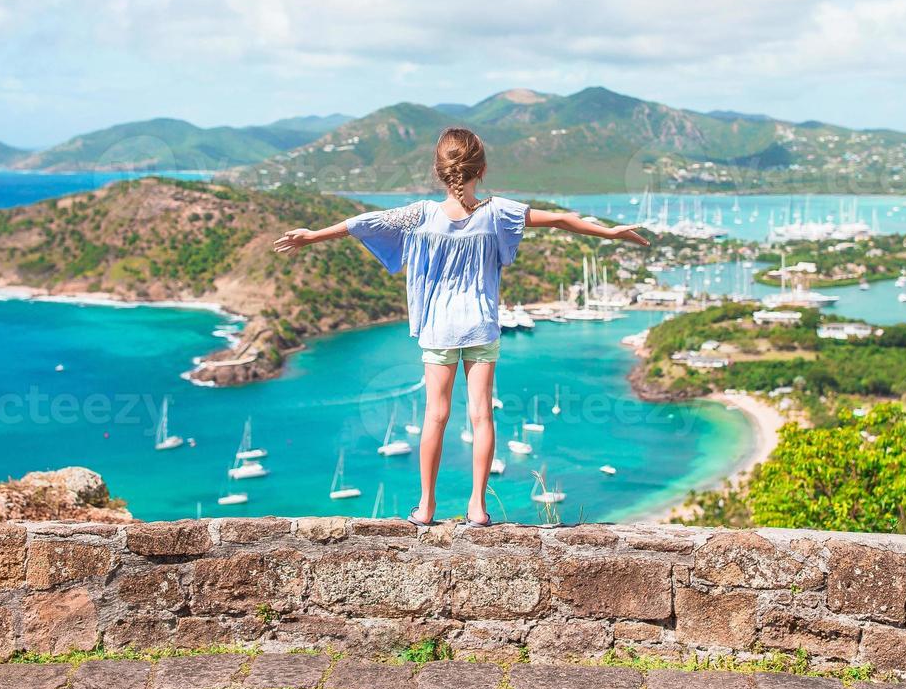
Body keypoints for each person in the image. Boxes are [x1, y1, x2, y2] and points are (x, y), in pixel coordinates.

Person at [272, 126, 649, 526]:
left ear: (440, 170)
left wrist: (312, 237)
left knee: (435, 415)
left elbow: (362, 223)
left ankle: (426, 507)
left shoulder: (421, 215)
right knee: (482, 416)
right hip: (481, 327)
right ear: (480, 170)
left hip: (439, 330)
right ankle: (477, 508)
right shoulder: (497, 212)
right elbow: (558, 219)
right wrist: (609, 231)